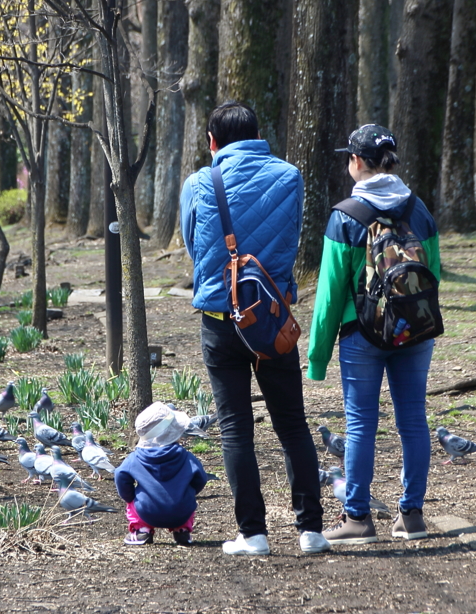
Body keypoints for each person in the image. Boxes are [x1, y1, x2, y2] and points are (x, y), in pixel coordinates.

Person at [180, 101, 328, 556]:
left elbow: (191, 243)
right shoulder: (290, 177)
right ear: (258, 134)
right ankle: (311, 530)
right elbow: (290, 242)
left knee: (235, 430)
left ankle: (253, 533)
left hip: (222, 320)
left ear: (212, 141)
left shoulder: (200, 183)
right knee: (292, 423)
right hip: (272, 317)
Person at [307, 124, 440, 545]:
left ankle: (358, 519)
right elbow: (433, 275)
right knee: (413, 420)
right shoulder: (419, 210)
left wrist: (317, 357)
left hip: (360, 333)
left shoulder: (345, 216)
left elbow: (329, 294)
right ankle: (412, 515)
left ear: (358, 163)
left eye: (349, 157)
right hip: (415, 330)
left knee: (361, 423)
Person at [114, 402, 208, 546]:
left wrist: (129, 497)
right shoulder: (185, 457)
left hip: (147, 510)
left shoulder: (135, 458)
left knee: (133, 502)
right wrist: (189, 492)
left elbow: (120, 475)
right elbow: (201, 478)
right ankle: (182, 530)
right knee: (186, 499)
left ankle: (142, 531)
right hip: (181, 511)